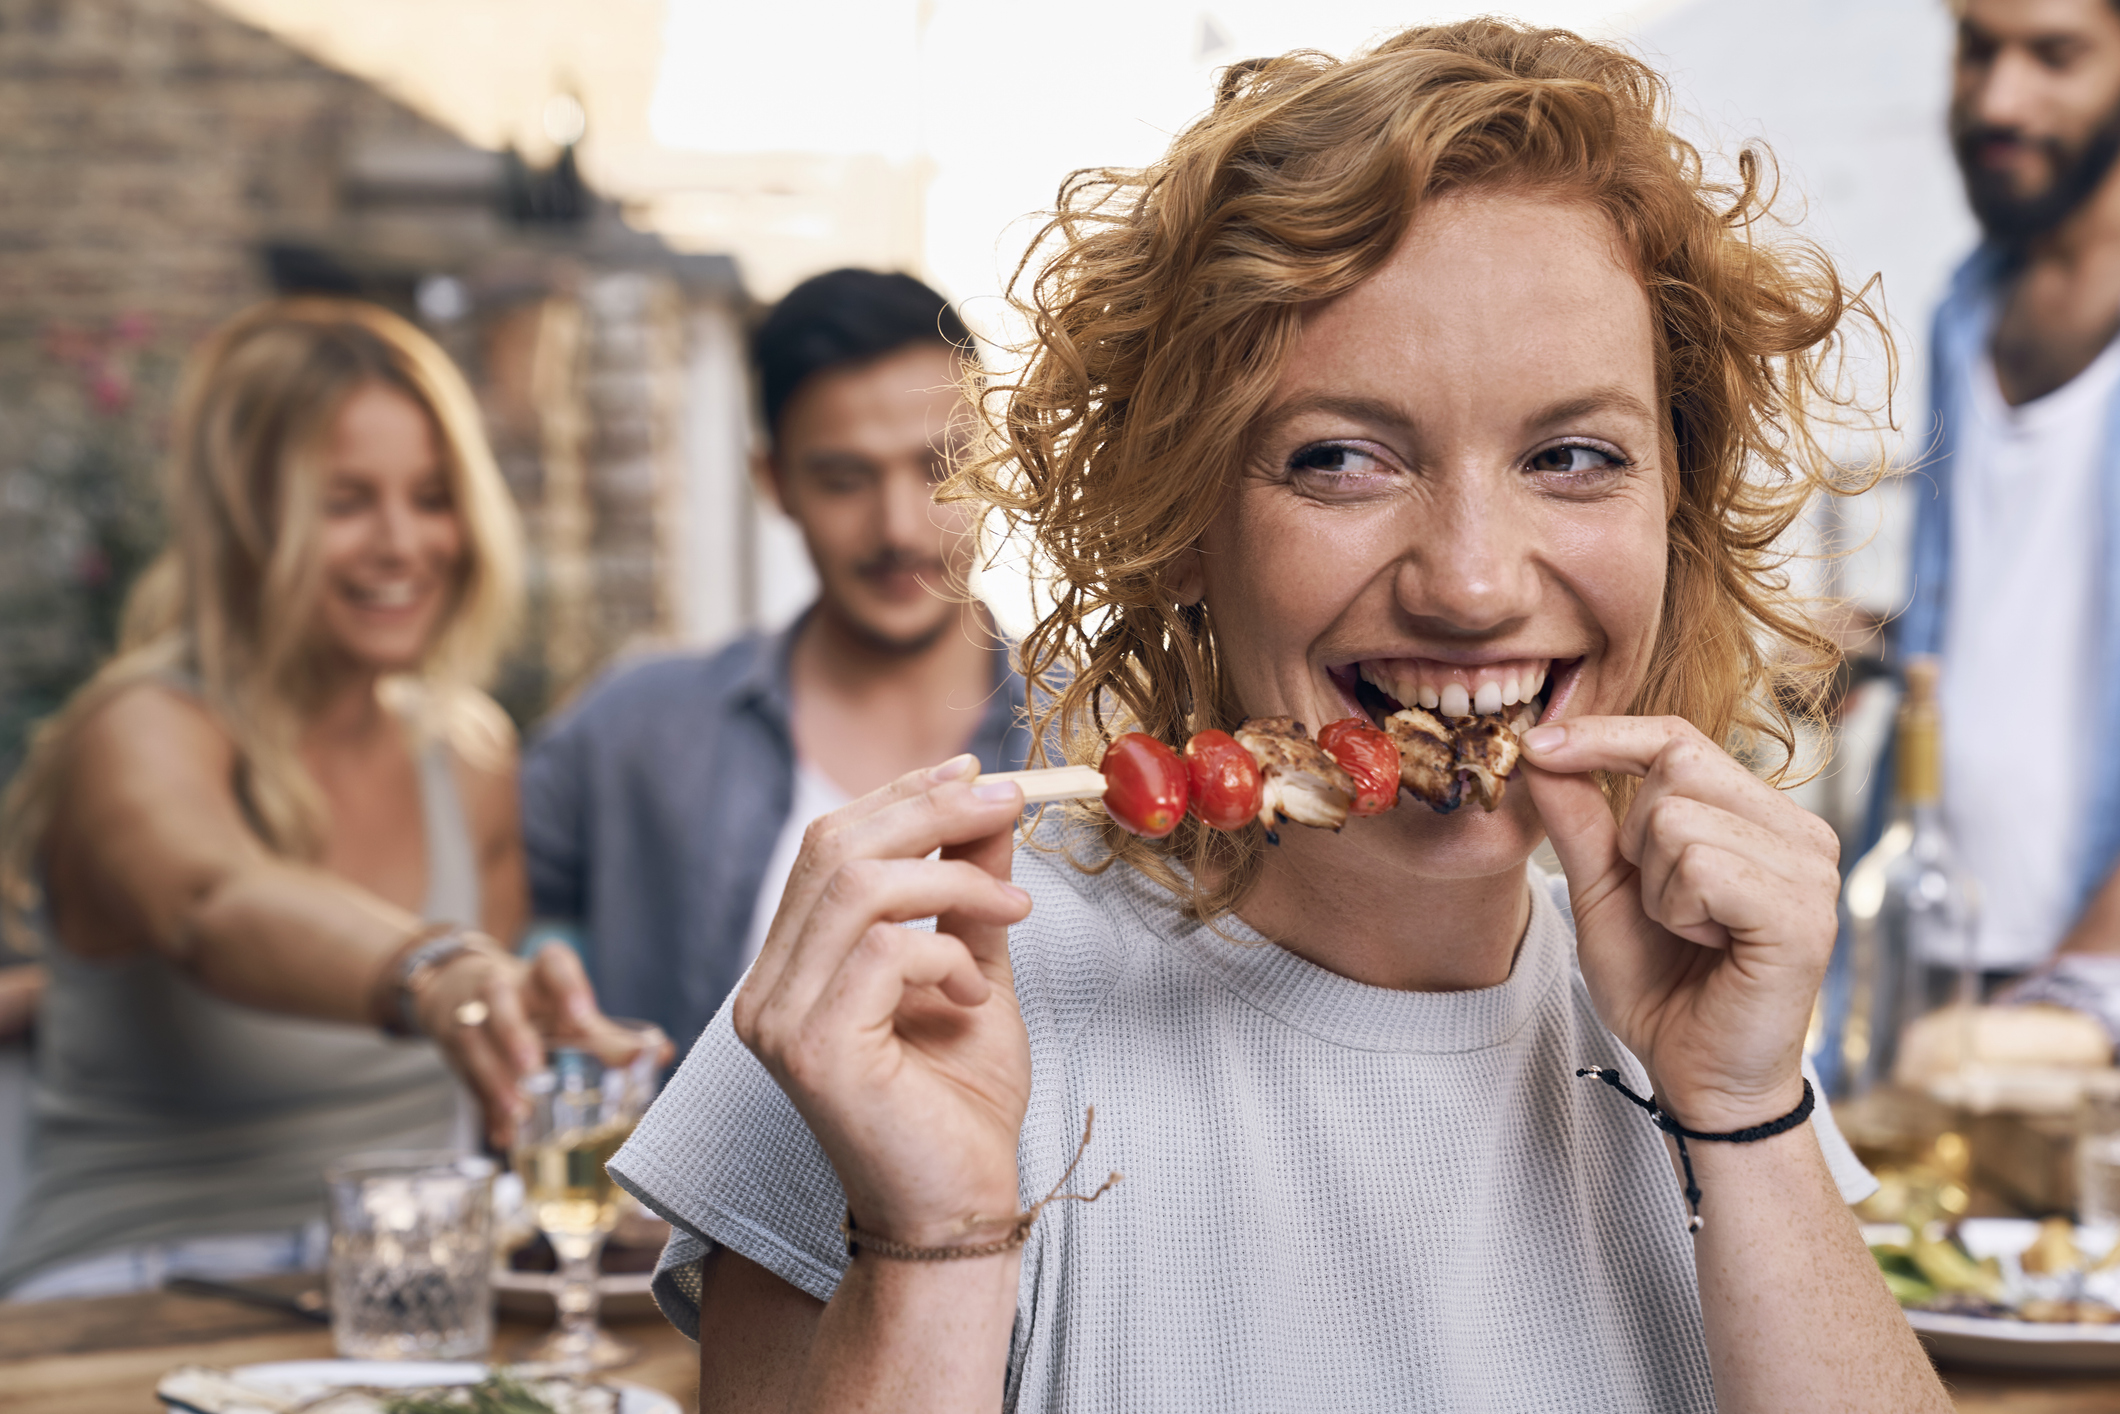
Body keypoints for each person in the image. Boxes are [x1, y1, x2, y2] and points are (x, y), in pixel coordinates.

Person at [608, 22, 1947, 1412]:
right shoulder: (906, 1020)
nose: (1474, 582)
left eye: (1572, 455)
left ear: (1672, 512)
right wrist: (933, 1245)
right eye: (1343, 459)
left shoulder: (1707, 1034)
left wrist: (1746, 1117)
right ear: (1187, 516)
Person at [0, 298, 652, 1299]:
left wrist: (545, 1051)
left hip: (405, 1296)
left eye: (432, 496)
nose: (403, 543)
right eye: (346, 501)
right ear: (248, 522)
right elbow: (211, 904)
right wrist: (434, 972)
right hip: (138, 1291)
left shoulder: (468, 754)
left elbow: (486, 1066)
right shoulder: (138, 728)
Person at [520, 269, 1031, 1057]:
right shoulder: (638, 730)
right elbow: (467, 892)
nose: (898, 526)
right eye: (843, 478)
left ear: (990, 457)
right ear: (775, 483)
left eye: (938, 468)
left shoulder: (1097, 740)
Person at [1883, 0, 2120, 1035]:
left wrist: (2081, 983)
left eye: (2052, 55)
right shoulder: (1960, 312)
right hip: (1936, 953)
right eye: (1975, 50)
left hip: (2086, 986)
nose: (1996, 98)